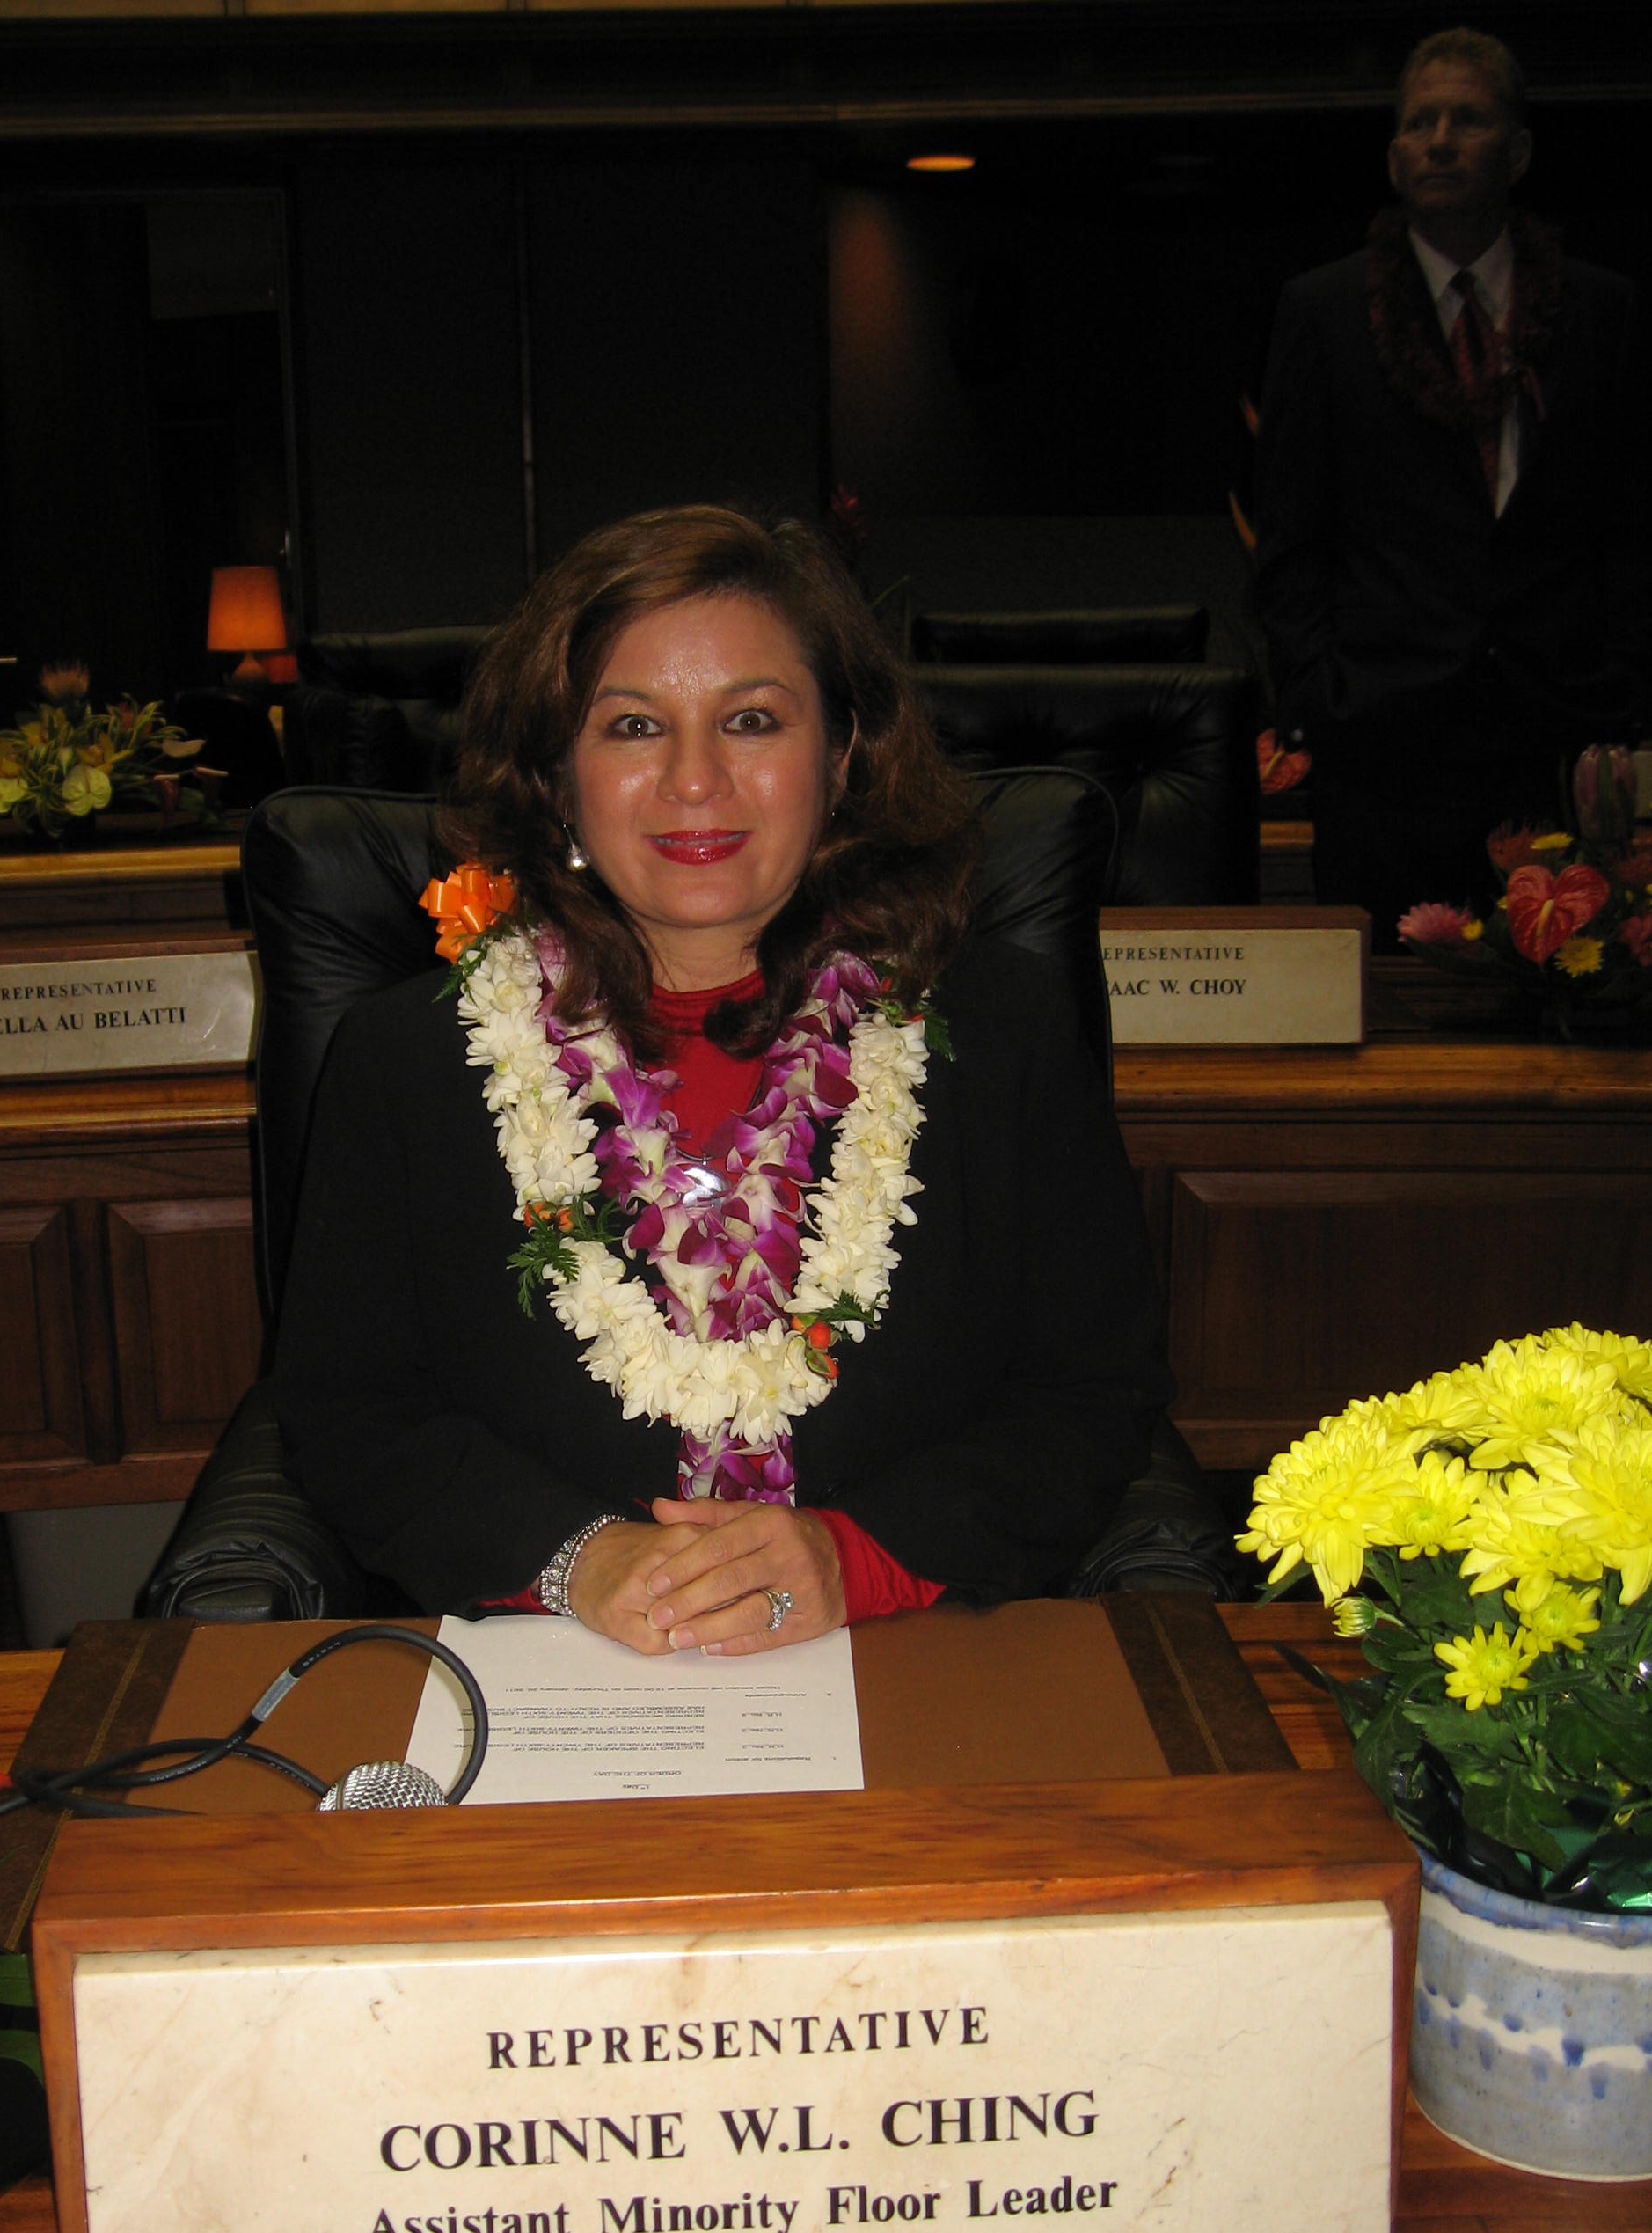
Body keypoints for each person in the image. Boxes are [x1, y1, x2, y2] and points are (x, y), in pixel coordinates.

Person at [275, 505, 1171, 1656]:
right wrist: (572, 1559)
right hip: (554, 1660)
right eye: (633, 726)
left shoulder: (1004, 1031)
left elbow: (1092, 1393)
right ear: (558, 778)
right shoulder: (404, 1062)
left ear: (841, 757)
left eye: (751, 720)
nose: (695, 781)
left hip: (916, 1653)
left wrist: (856, 1559)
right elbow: (350, 1413)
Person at [1254, 28, 1648, 946]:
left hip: (1554, 734)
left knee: (1567, 1001)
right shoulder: (1324, 312)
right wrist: (1321, 697)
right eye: (1419, 123)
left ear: (1517, 151)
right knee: (1386, 1007)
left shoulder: (1598, 310)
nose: (1438, 141)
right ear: (1394, 158)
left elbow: (1630, 522)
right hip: (1381, 746)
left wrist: (1623, 689)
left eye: (1466, 120)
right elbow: (1290, 536)